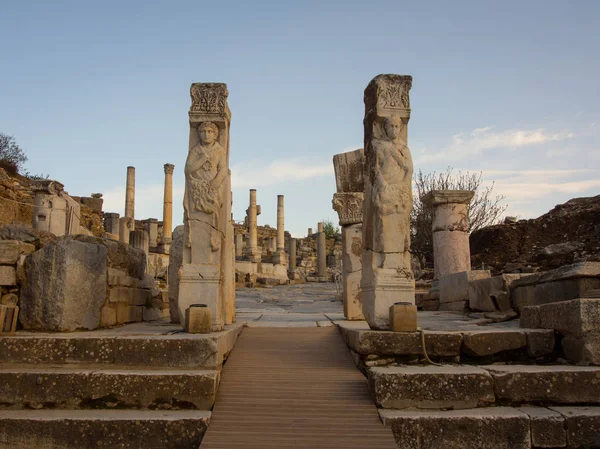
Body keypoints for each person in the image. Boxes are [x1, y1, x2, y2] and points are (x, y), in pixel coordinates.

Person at [183, 121, 227, 262]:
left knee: (215, 217)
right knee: (196, 221)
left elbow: (223, 169)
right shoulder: (195, 150)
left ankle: (213, 239)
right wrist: (202, 160)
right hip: (196, 189)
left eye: (209, 132)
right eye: (203, 132)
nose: (206, 135)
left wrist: (215, 183)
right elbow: (188, 169)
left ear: (215, 134)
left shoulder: (219, 150)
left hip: (213, 189)